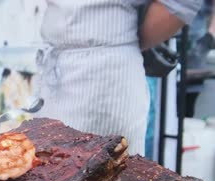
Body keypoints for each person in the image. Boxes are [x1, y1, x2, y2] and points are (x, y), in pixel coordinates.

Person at [37, 1, 202, 155]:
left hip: (108, 76)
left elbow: (180, 3)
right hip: (54, 66)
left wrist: (119, 41)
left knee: (104, 172)